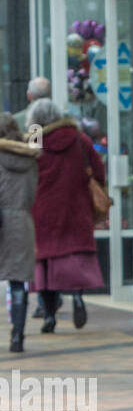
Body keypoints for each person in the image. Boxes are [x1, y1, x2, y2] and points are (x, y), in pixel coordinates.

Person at [26, 99, 106, 332]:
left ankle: (49, 315)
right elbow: (98, 170)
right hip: (75, 207)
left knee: (46, 264)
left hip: (42, 210)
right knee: (75, 257)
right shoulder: (78, 138)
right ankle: (78, 298)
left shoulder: (35, 138)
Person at [0, 113, 42, 352]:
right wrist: (34, 120)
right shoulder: (31, 157)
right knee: (18, 282)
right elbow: (37, 135)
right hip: (23, 220)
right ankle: (18, 335)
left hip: (2, 222)